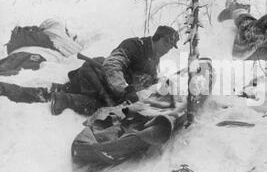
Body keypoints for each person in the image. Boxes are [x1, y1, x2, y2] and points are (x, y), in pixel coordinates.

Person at [0, 26, 180, 116]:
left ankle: (7, 89)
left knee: (51, 92)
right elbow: (113, 65)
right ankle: (64, 100)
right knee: (100, 108)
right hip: (96, 76)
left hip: (98, 82)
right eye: (166, 44)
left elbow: (147, 83)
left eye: (171, 47)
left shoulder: (153, 59)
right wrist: (126, 89)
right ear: (157, 39)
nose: (167, 49)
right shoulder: (135, 45)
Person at [0, 19, 82, 76]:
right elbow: (78, 51)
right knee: (14, 79)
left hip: (15, 55)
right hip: (37, 56)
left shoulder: (33, 36)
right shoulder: (57, 32)